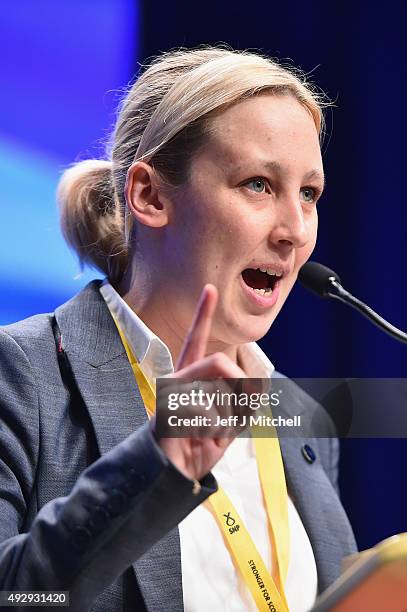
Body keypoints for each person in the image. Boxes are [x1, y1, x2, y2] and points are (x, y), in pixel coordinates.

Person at [0, 47, 357, 611]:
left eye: (309, 194)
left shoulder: (300, 419)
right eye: (259, 184)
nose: (295, 231)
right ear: (150, 195)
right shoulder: (22, 376)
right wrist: (155, 466)